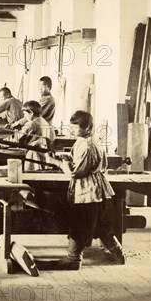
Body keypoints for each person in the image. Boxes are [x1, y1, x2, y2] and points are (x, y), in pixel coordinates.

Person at [59, 110, 126, 267]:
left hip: (87, 191)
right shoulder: (86, 139)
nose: (73, 131)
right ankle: (119, 254)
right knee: (101, 227)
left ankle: (73, 258)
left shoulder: (88, 145)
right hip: (95, 190)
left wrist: (59, 163)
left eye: (76, 128)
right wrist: (67, 158)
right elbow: (77, 158)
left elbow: (75, 172)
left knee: (79, 222)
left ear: (87, 127)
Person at [14, 100, 55, 171]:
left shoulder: (32, 124)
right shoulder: (45, 122)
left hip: (33, 155)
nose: (24, 116)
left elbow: (18, 138)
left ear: (31, 113)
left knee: (31, 176)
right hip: (45, 155)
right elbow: (52, 138)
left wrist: (15, 133)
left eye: (25, 114)